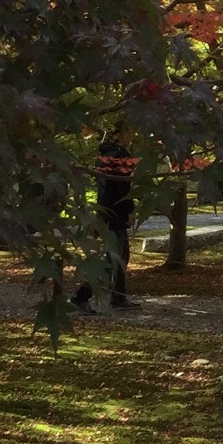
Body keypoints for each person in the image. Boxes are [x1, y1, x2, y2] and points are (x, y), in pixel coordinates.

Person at [71, 128, 140, 312]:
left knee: (120, 256)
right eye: (128, 131)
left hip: (105, 212)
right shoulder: (120, 155)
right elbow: (122, 186)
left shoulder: (102, 156)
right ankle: (82, 295)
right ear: (118, 134)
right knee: (115, 258)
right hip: (117, 213)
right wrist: (129, 211)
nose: (131, 134)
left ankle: (118, 297)